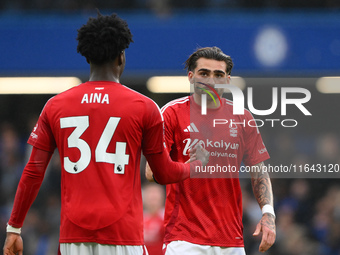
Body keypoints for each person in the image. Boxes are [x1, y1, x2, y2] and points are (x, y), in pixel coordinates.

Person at [3, 12, 209, 255]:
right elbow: (163, 172)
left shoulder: (56, 106)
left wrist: (14, 228)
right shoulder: (143, 107)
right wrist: (196, 165)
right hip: (123, 237)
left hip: (73, 238)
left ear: (87, 58)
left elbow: (33, 171)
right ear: (121, 57)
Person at [146, 47, 276, 254]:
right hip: (184, 238)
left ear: (227, 80)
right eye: (204, 73)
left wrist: (268, 213)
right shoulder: (171, 113)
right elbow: (152, 173)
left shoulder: (242, 118)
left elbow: (259, 171)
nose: (211, 80)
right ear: (191, 77)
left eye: (218, 75)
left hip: (231, 240)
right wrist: (191, 167)